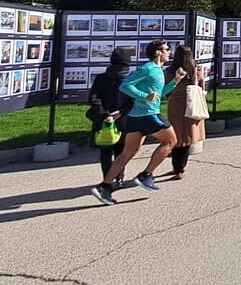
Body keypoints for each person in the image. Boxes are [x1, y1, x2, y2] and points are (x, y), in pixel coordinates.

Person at [91, 40, 185, 206]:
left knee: (128, 152)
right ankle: (146, 175)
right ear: (157, 52)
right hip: (148, 115)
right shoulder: (147, 68)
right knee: (171, 141)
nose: (169, 52)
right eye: (166, 49)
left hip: (137, 117)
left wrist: (175, 81)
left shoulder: (158, 70)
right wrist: (144, 96)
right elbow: (126, 86)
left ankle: (104, 186)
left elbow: (160, 94)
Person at [86, 49, 134, 187]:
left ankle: (108, 179)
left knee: (105, 153)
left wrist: (104, 114)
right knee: (121, 152)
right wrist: (121, 112)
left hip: (103, 121)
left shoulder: (101, 78)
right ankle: (119, 178)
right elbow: (133, 101)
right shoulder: (129, 79)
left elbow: (94, 98)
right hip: (123, 120)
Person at [165, 45, 207, 179]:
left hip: (176, 105)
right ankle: (181, 168)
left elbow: (166, 88)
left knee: (176, 136)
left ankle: (176, 167)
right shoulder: (195, 70)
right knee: (187, 138)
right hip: (191, 104)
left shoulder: (171, 71)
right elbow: (201, 86)